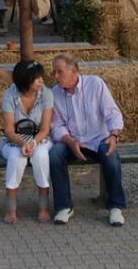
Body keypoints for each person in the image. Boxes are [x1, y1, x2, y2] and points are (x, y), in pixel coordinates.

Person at [49, 55, 126, 227]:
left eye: (59, 72)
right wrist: (71, 142)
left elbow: (112, 113)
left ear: (74, 71)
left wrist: (114, 135)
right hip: (72, 141)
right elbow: (57, 126)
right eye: (54, 72)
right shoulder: (54, 93)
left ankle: (115, 207)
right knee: (54, 154)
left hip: (98, 138)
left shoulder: (95, 84)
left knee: (111, 155)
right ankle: (64, 207)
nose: (55, 76)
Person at [0, 61, 53, 225]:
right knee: (16, 157)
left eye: (41, 77)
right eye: (36, 78)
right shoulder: (9, 95)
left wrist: (33, 143)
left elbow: (45, 129)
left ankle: (43, 206)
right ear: (24, 80)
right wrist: (22, 144)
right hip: (14, 140)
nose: (41, 81)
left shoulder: (46, 94)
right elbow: (9, 129)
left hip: (39, 138)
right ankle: (10, 207)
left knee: (41, 155)